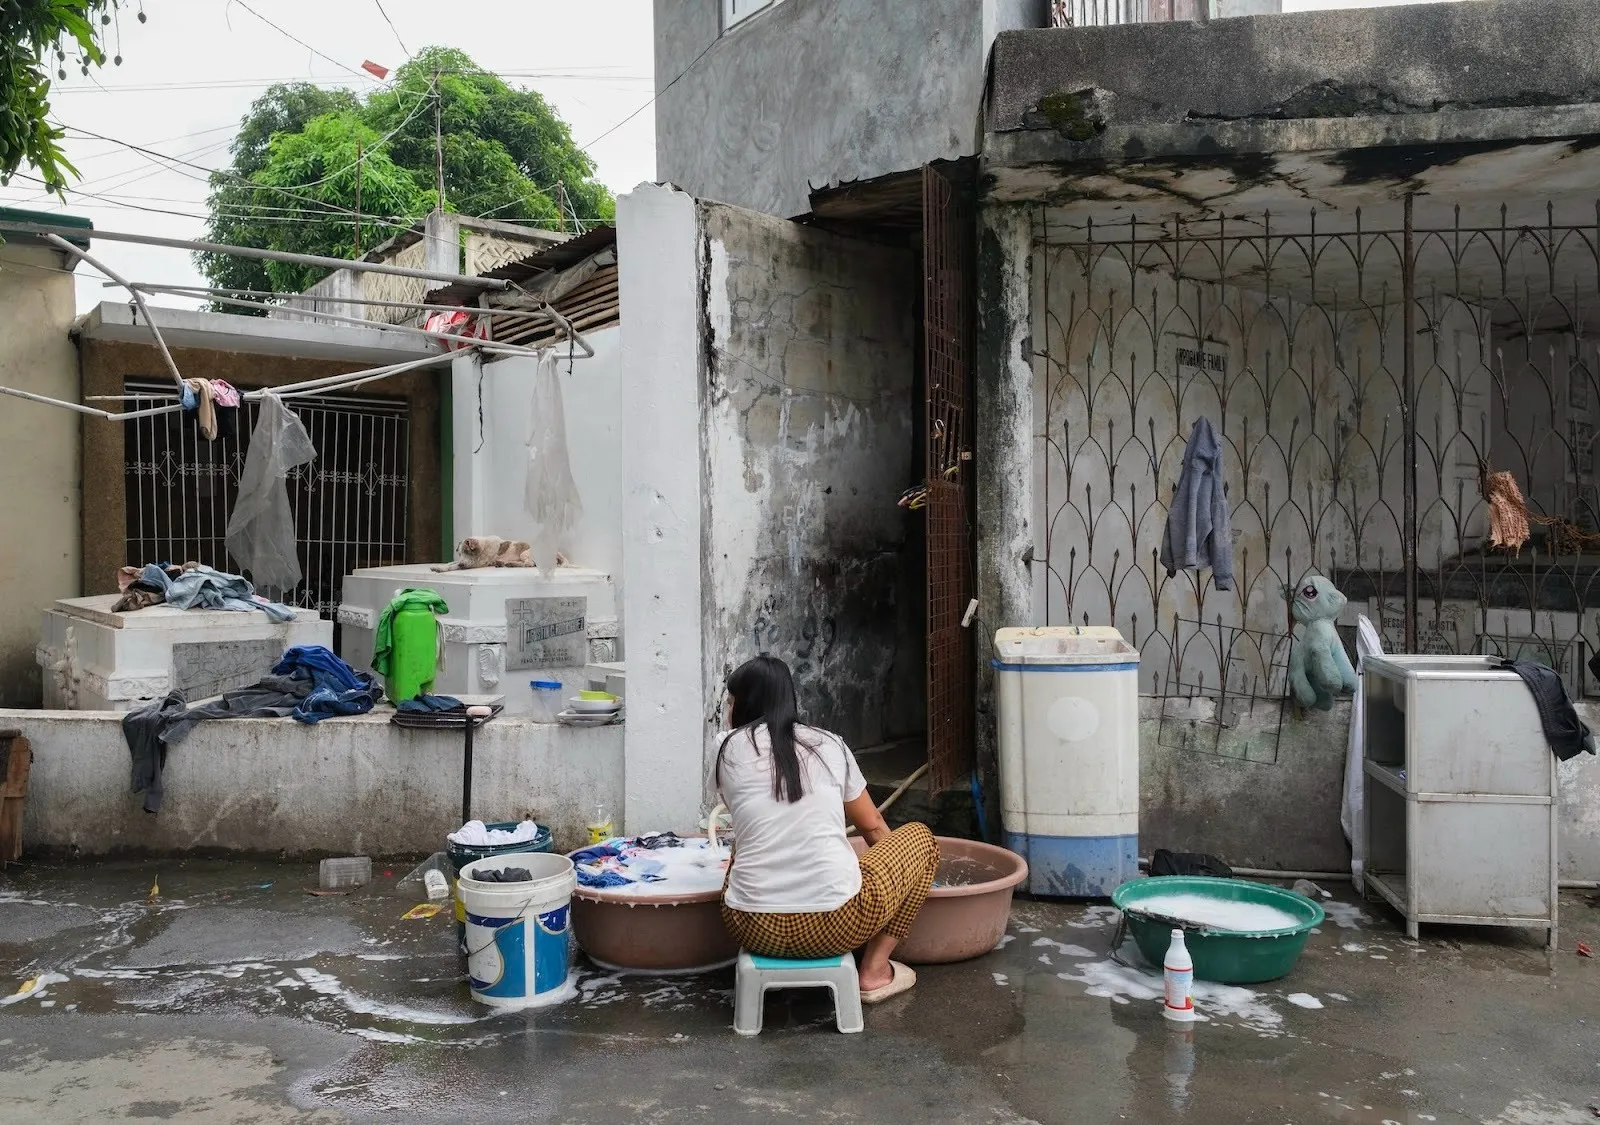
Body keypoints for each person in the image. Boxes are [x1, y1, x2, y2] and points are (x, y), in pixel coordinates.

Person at [712, 654, 939, 1003]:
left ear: (742, 705)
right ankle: (875, 970)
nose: (728, 709)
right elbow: (873, 826)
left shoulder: (724, 748)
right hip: (838, 925)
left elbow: (748, 819)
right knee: (921, 839)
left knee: (740, 846)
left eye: (730, 702)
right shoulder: (829, 744)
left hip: (751, 925)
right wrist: (902, 882)